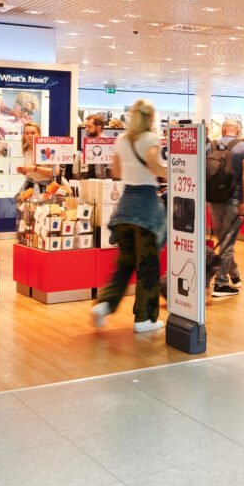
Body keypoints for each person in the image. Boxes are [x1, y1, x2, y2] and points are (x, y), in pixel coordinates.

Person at [92, 100, 166, 333]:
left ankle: (104, 304)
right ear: (150, 118)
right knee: (147, 266)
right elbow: (153, 163)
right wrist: (170, 173)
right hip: (145, 209)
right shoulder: (151, 138)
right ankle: (145, 318)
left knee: (124, 264)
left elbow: (116, 170)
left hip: (124, 208)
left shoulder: (122, 139)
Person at [210, 119, 244, 298]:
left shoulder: (210, 146)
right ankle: (220, 283)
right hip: (234, 199)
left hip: (213, 199)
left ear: (223, 129)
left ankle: (234, 275)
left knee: (223, 240)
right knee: (227, 242)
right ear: (238, 130)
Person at [80, 113, 110, 179]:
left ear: (98, 128)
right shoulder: (90, 143)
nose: (86, 129)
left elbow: (109, 170)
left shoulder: (107, 144)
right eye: (86, 126)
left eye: (89, 127)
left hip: (102, 182)